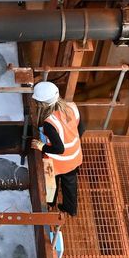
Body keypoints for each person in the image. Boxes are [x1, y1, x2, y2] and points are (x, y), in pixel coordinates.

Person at [30, 81, 85, 217]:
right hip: (75, 156)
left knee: (52, 182)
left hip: (59, 162)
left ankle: (50, 204)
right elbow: (81, 129)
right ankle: (70, 209)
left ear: (42, 104)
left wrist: (41, 146)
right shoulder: (72, 107)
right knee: (70, 184)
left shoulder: (50, 123)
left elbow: (59, 149)